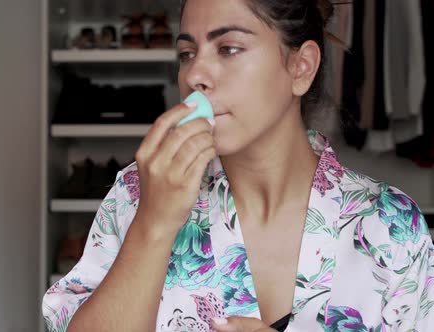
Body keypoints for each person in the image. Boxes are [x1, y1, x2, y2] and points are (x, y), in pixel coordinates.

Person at [43, 0, 434, 331]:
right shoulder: (138, 193)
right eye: (186, 54)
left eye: (228, 48)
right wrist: (152, 225)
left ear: (301, 67)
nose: (194, 74)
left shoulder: (390, 226)